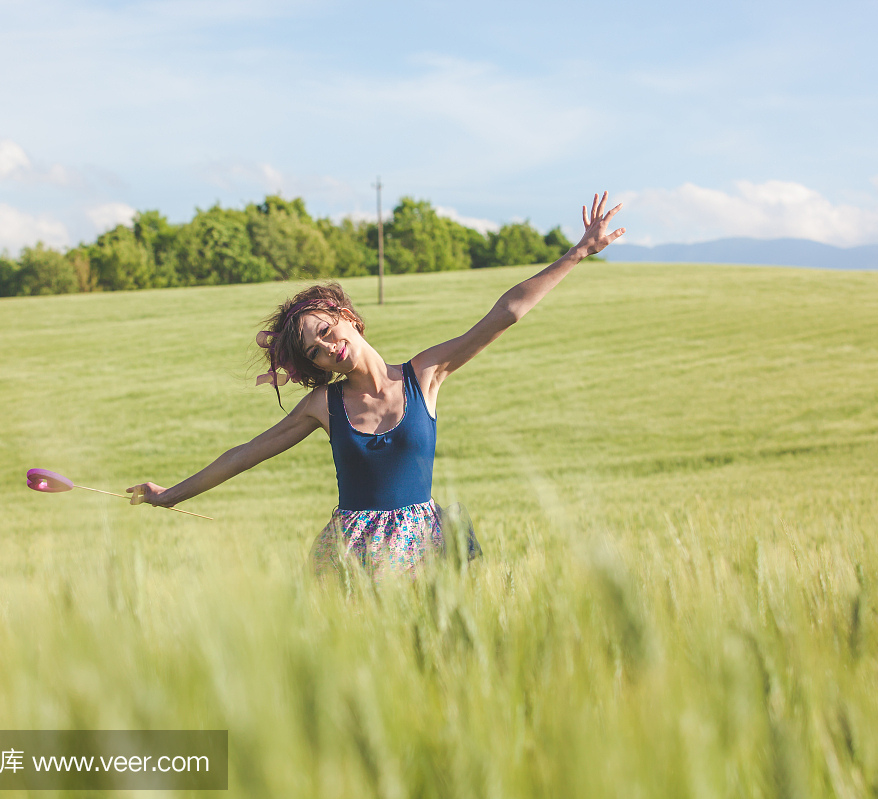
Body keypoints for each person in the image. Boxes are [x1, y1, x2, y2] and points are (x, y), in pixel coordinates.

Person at [128, 192, 625, 576]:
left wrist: (579, 252)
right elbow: (244, 454)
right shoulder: (323, 406)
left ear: (346, 317)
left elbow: (504, 314)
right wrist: (171, 495)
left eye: (326, 330)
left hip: (426, 550)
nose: (327, 347)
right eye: (315, 351)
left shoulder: (424, 376)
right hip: (352, 559)